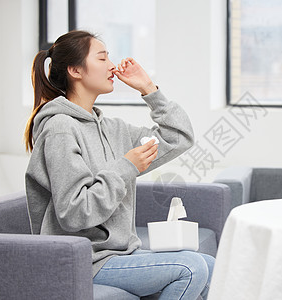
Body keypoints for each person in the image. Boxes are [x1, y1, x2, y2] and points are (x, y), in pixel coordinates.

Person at [24, 30, 214, 299]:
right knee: (192, 268)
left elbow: (178, 138)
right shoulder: (59, 129)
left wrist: (148, 88)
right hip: (84, 261)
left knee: (210, 266)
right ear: (75, 70)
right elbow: (74, 213)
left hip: (120, 252)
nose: (112, 66)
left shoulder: (113, 129)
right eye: (102, 58)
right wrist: (126, 166)